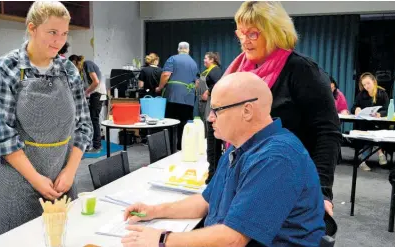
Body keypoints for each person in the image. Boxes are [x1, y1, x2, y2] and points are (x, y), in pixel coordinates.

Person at [121, 72, 326, 247]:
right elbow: (206, 201)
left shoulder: (276, 158)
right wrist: (155, 211)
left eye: (217, 109)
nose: (210, 117)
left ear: (247, 110)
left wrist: (163, 239)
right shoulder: (239, 146)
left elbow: (233, 239)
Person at [219, 1, 341, 216]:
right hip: (242, 178)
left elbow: (327, 132)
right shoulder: (236, 72)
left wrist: (322, 192)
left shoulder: (302, 70)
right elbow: (219, 123)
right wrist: (214, 178)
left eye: (253, 34)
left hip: (289, 183)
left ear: (274, 32)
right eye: (241, 33)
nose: (245, 41)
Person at [0, 1, 93, 238]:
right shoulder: (7, 68)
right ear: (32, 28)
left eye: (64, 34)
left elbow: (84, 126)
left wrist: (70, 171)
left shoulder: (68, 70)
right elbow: (0, 135)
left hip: (61, 181)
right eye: (52, 32)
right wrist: (35, 179)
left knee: (61, 238)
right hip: (17, 184)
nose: (59, 41)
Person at [157, 42, 199, 150]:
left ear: (178, 49)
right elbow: (197, 82)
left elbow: (166, 74)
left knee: (170, 123)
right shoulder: (194, 63)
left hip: (173, 96)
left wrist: (160, 87)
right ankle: (181, 147)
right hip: (188, 98)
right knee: (184, 124)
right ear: (188, 50)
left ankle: (170, 148)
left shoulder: (173, 59)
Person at [351, 72, 390, 170]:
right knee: (368, 136)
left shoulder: (382, 93)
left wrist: (379, 114)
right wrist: (356, 109)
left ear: (374, 81)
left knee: (377, 133)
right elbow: (353, 107)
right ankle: (372, 157)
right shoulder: (361, 94)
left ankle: (376, 154)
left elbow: (387, 109)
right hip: (366, 124)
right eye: (364, 85)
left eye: (368, 83)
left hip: (379, 124)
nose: (366, 86)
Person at [194, 52, 224, 182]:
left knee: (213, 143)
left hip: (213, 108)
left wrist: (208, 91)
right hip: (209, 106)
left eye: (206, 58)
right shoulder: (209, 71)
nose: (204, 60)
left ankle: (213, 174)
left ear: (212, 60)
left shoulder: (215, 71)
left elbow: (219, 85)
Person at [69, 55, 104, 153]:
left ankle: (97, 146)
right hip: (94, 95)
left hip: (98, 94)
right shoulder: (82, 70)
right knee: (92, 119)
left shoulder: (87, 64)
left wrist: (86, 92)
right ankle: (93, 144)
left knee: (94, 119)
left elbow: (96, 82)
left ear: (76, 61)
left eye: (73, 65)